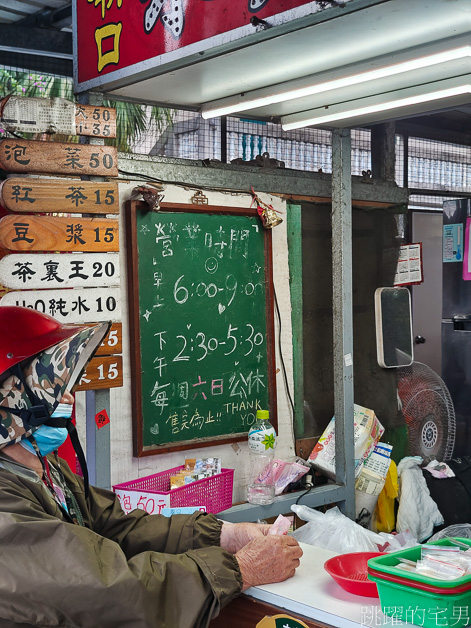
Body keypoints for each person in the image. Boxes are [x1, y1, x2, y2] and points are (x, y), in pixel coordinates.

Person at [0, 307, 302, 627]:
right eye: (48, 388)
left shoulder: (42, 468)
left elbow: (118, 526)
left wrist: (224, 535)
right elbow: (106, 590)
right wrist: (239, 570)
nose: (68, 399)